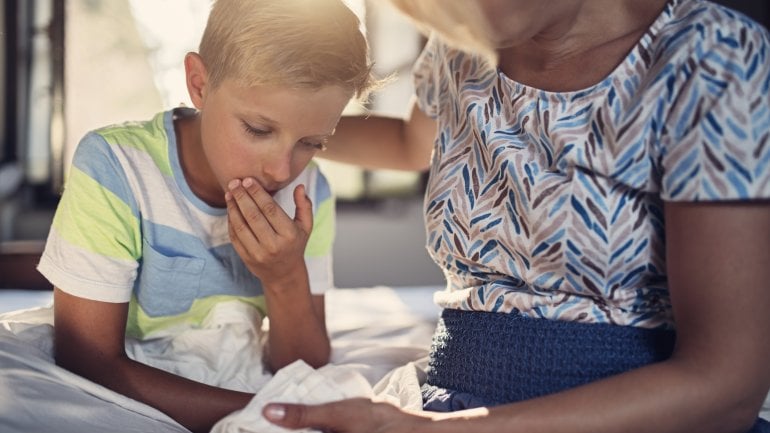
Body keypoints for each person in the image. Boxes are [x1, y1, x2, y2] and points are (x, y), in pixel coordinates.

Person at [262, 0, 770, 432]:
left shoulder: (710, 59)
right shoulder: (463, 41)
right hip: (444, 399)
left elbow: (727, 388)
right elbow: (410, 143)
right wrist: (264, 128)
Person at [35, 0, 376, 431]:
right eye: (258, 129)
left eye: (313, 142)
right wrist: (263, 412)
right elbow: (86, 357)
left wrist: (284, 277)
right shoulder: (116, 167)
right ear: (199, 83)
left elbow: (303, 364)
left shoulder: (309, 193)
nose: (281, 170)